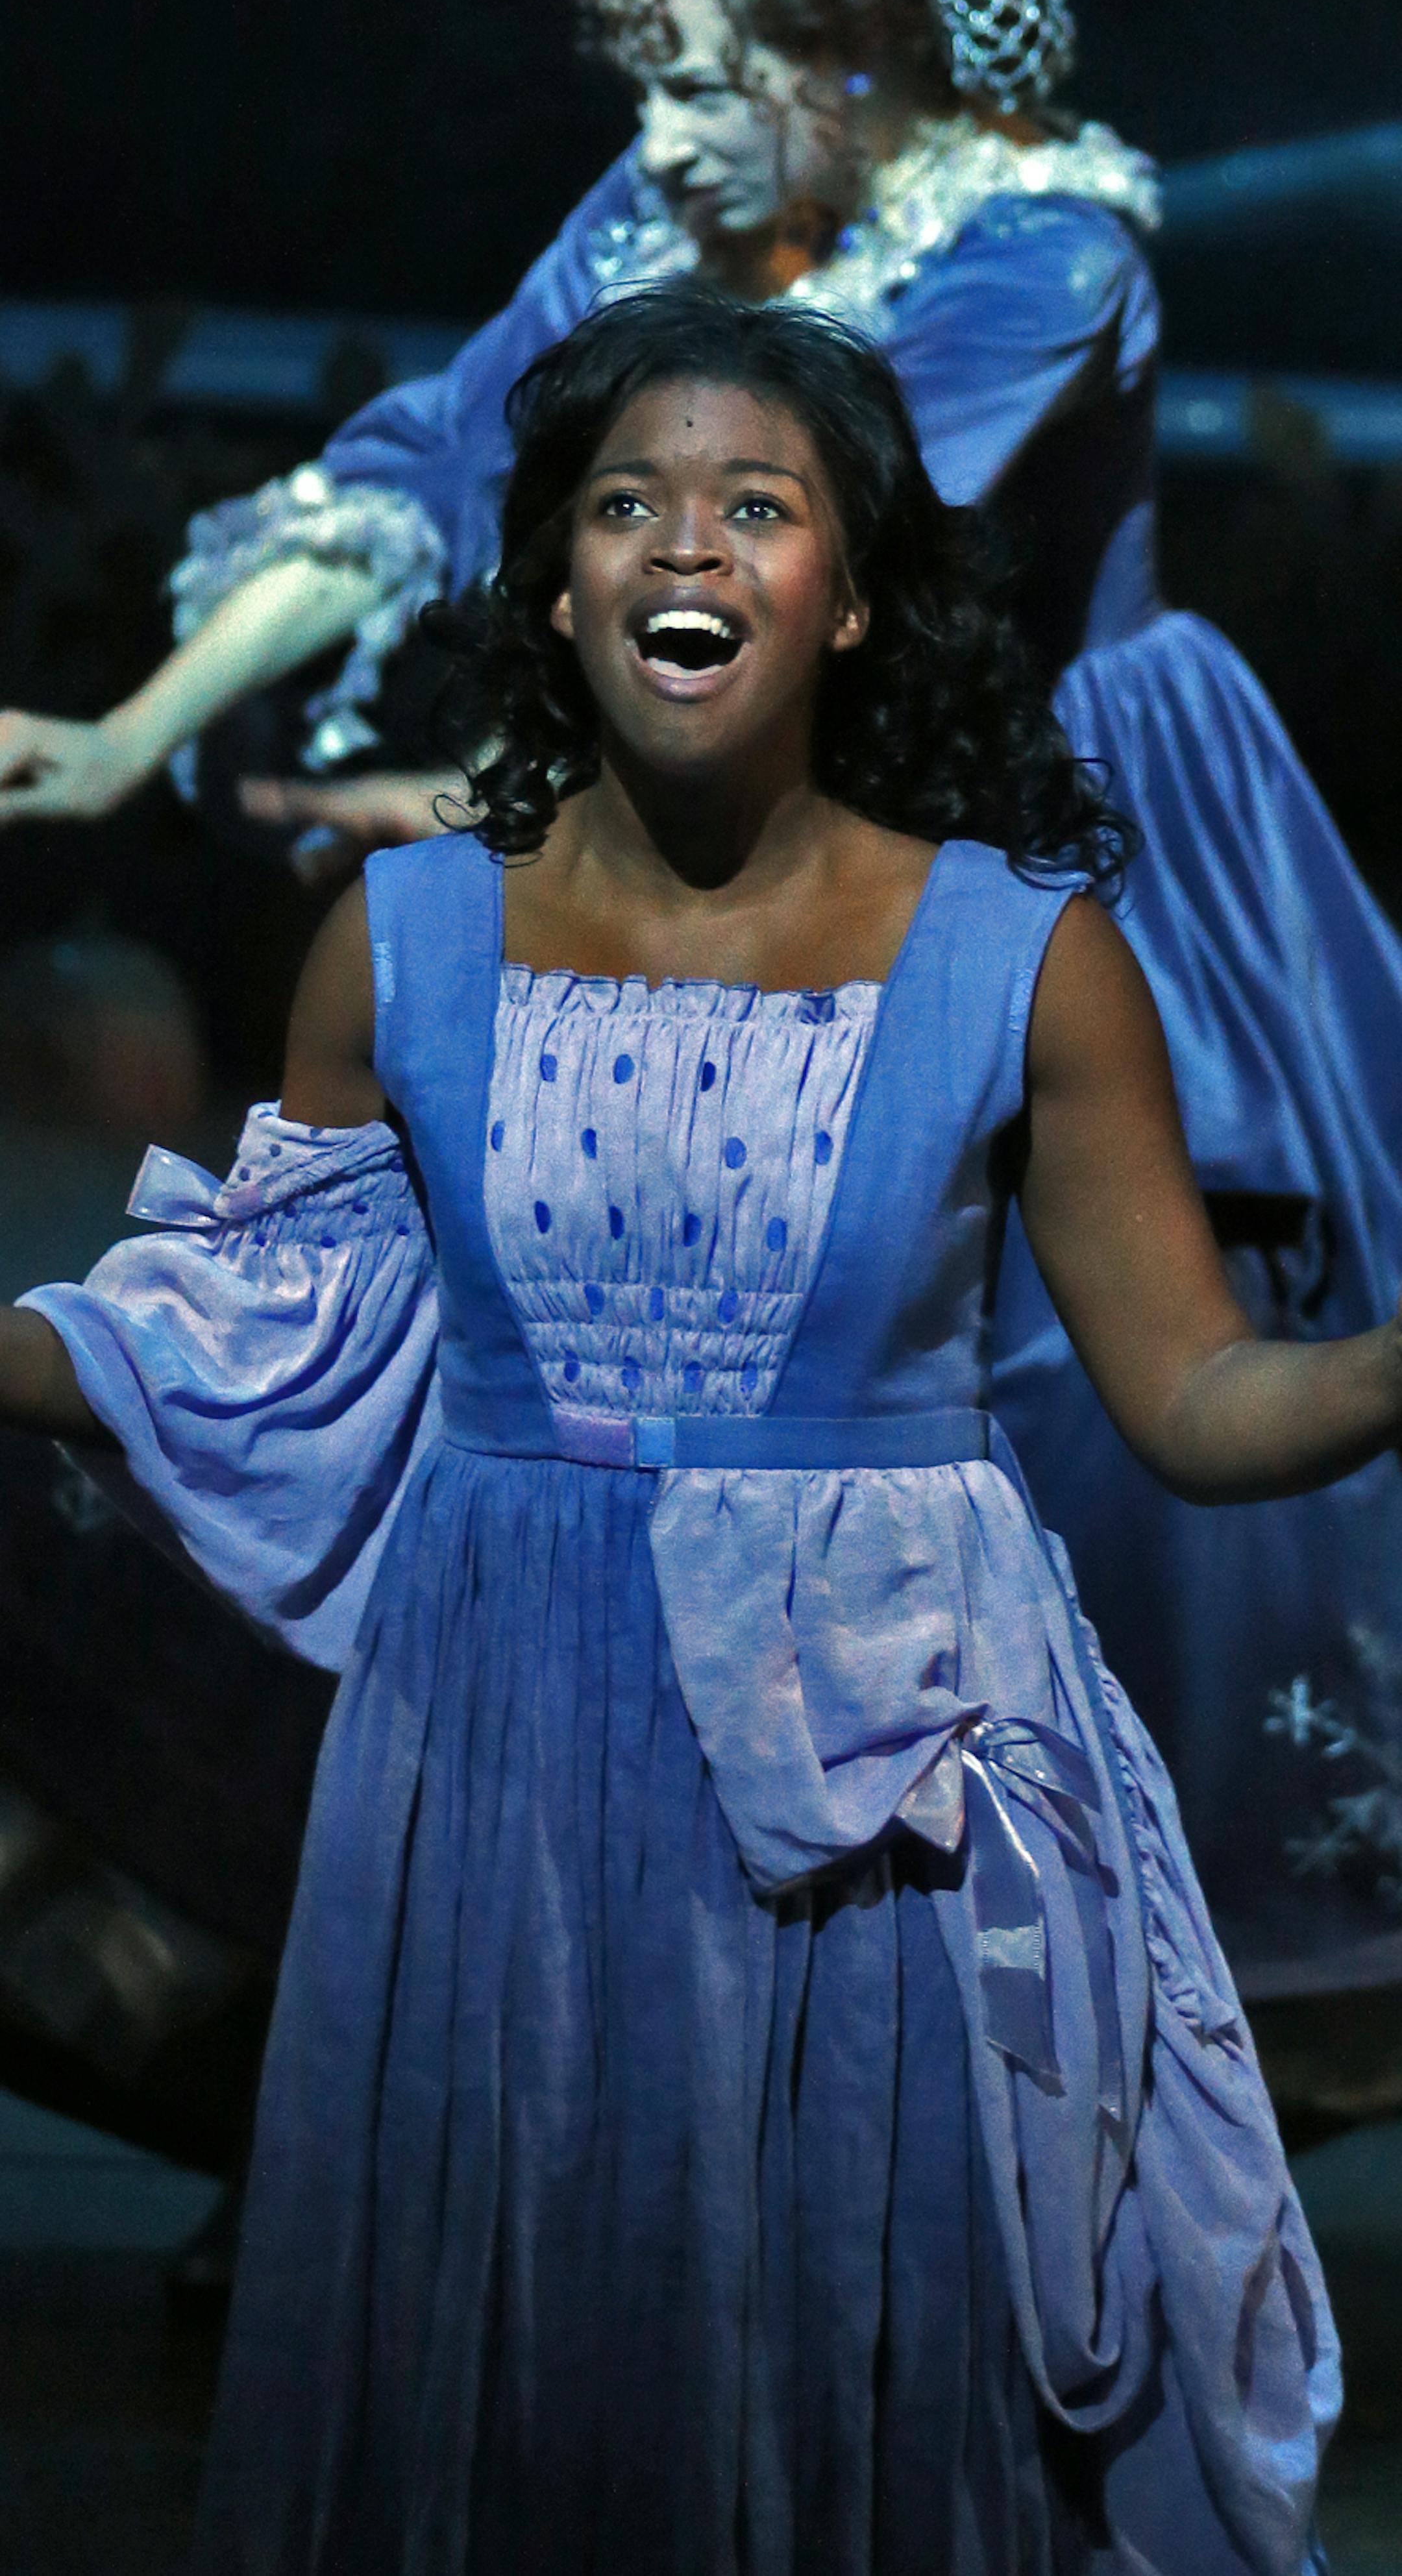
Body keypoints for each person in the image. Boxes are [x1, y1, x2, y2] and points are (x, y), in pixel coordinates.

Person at [4, 0, 1402, 1989]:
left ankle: (1019, 1989)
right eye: (640, 75)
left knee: (1038, 1381)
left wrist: (491, 802)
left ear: (841, 52)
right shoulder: (687, 192)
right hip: (706, 836)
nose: (652, 132)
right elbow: (449, 458)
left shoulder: (1043, 248)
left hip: (1018, 812)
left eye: (695, 70)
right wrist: (133, 724)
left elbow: (815, 590)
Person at [0, 283, 1379, 2571]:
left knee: (880, 2363)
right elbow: (231, 1332)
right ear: (554, 583)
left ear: (848, 594)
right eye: (630, 505)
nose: (690, 550)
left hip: (893, 1785)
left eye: (761, 506)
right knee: (534, 2367)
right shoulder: (406, 939)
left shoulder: (1024, 951)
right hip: (497, 1766)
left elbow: (1201, 1396)